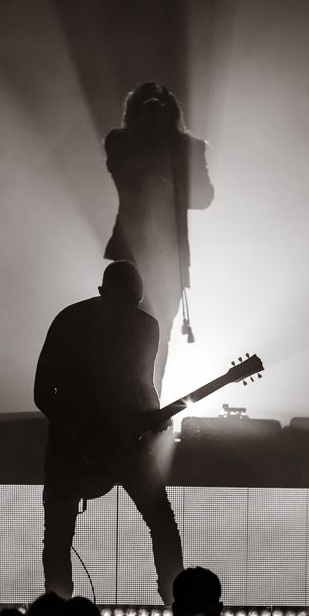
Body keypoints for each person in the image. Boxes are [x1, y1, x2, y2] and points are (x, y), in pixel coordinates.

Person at [34, 261, 184, 604]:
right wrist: (80, 434)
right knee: (58, 535)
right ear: (102, 294)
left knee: (162, 521)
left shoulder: (146, 327)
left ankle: (176, 600)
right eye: (120, 304)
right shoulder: (70, 322)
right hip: (72, 447)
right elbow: (44, 392)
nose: (125, 314)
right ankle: (59, 608)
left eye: (131, 306)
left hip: (125, 441)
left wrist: (155, 415)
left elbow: (142, 383)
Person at [103, 82, 214, 395]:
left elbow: (205, 195)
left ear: (172, 110)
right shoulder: (121, 141)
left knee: (158, 332)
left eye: (159, 105)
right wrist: (148, 141)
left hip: (169, 257)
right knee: (122, 331)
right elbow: (121, 173)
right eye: (147, 105)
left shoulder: (189, 148)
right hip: (130, 254)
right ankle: (120, 401)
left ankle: (150, 402)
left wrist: (171, 181)